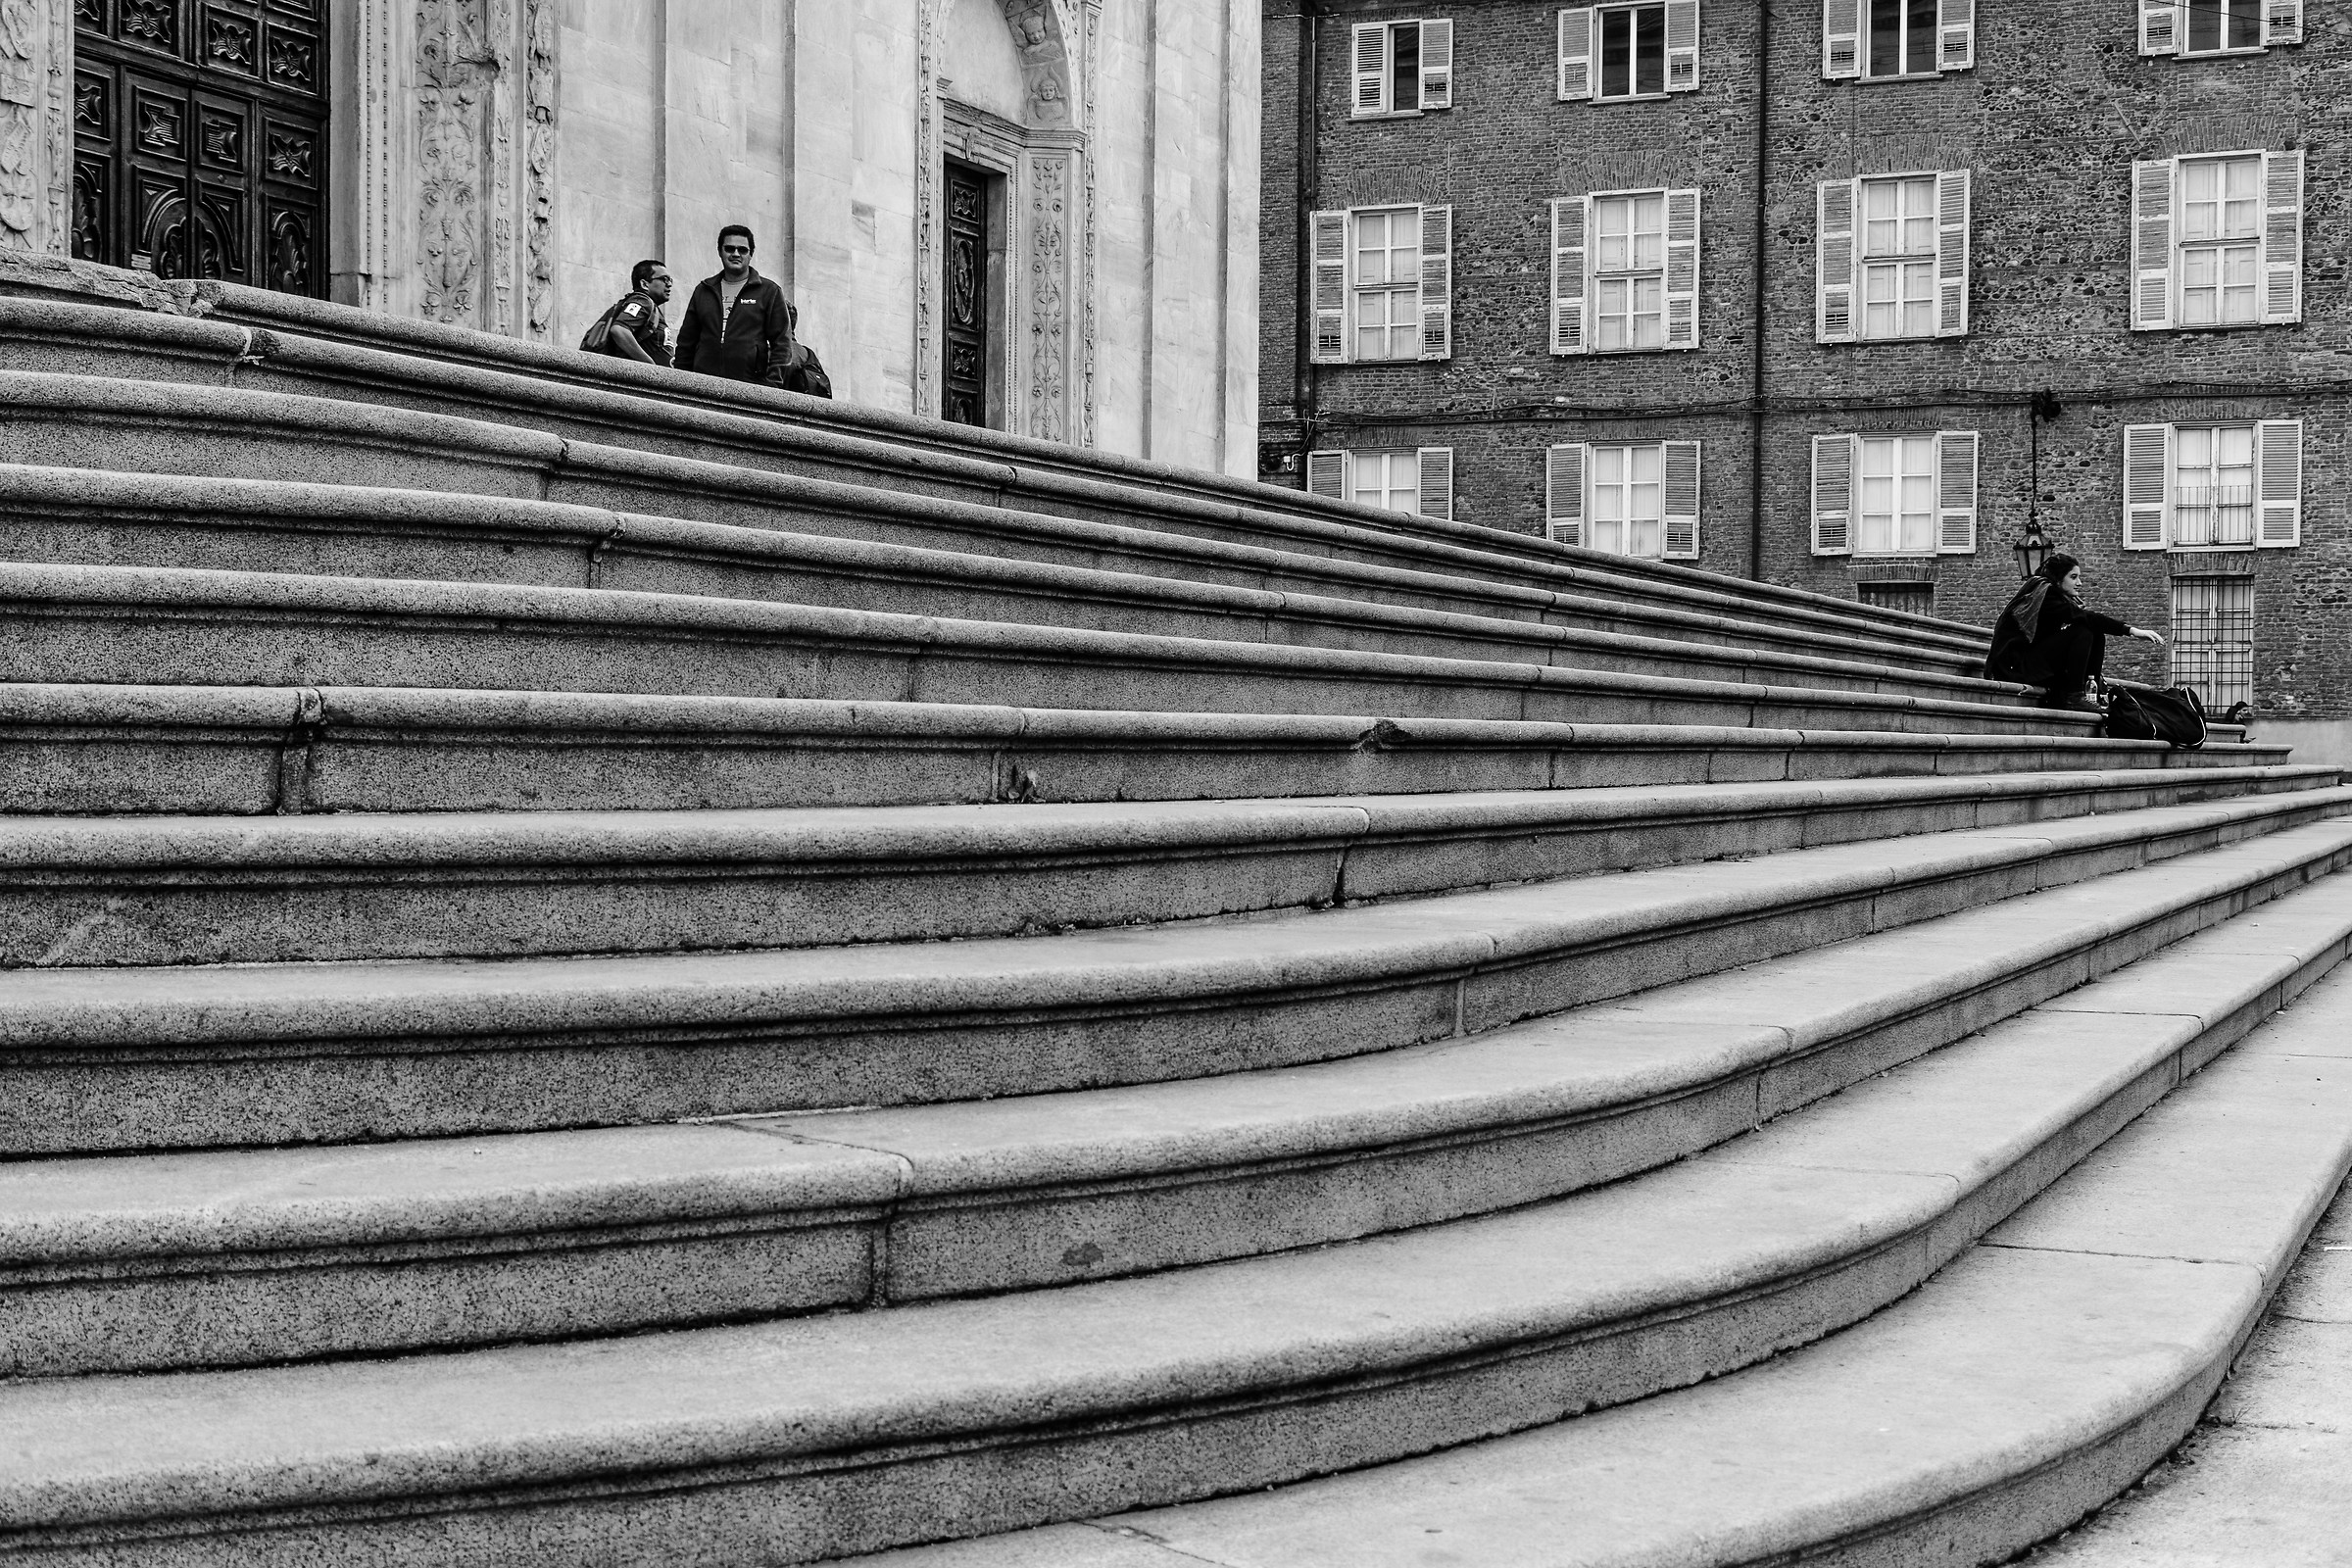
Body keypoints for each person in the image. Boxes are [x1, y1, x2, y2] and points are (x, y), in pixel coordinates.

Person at [1984, 554, 2165, 711]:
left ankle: (2089, 691)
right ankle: (2074, 695)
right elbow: (2086, 617)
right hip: (2012, 668)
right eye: (2073, 577)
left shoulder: (2049, 593)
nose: (2079, 583)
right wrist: (2131, 630)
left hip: (2027, 661)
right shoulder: (2045, 595)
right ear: (2058, 578)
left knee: (2094, 632)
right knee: (2083, 630)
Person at [672, 224, 799, 384]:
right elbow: (686, 342)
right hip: (704, 383)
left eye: (743, 250)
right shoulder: (703, 290)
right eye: (729, 249)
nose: (736, 254)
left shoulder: (769, 291)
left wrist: (773, 384)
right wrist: (681, 380)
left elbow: (782, 343)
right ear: (720, 251)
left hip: (750, 385)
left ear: (751, 254)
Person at [593, 259, 673, 368]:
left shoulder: (649, 306)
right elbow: (619, 330)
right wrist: (650, 366)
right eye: (664, 279)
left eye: (670, 280)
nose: (669, 284)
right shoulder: (642, 301)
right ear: (644, 284)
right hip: (645, 376)